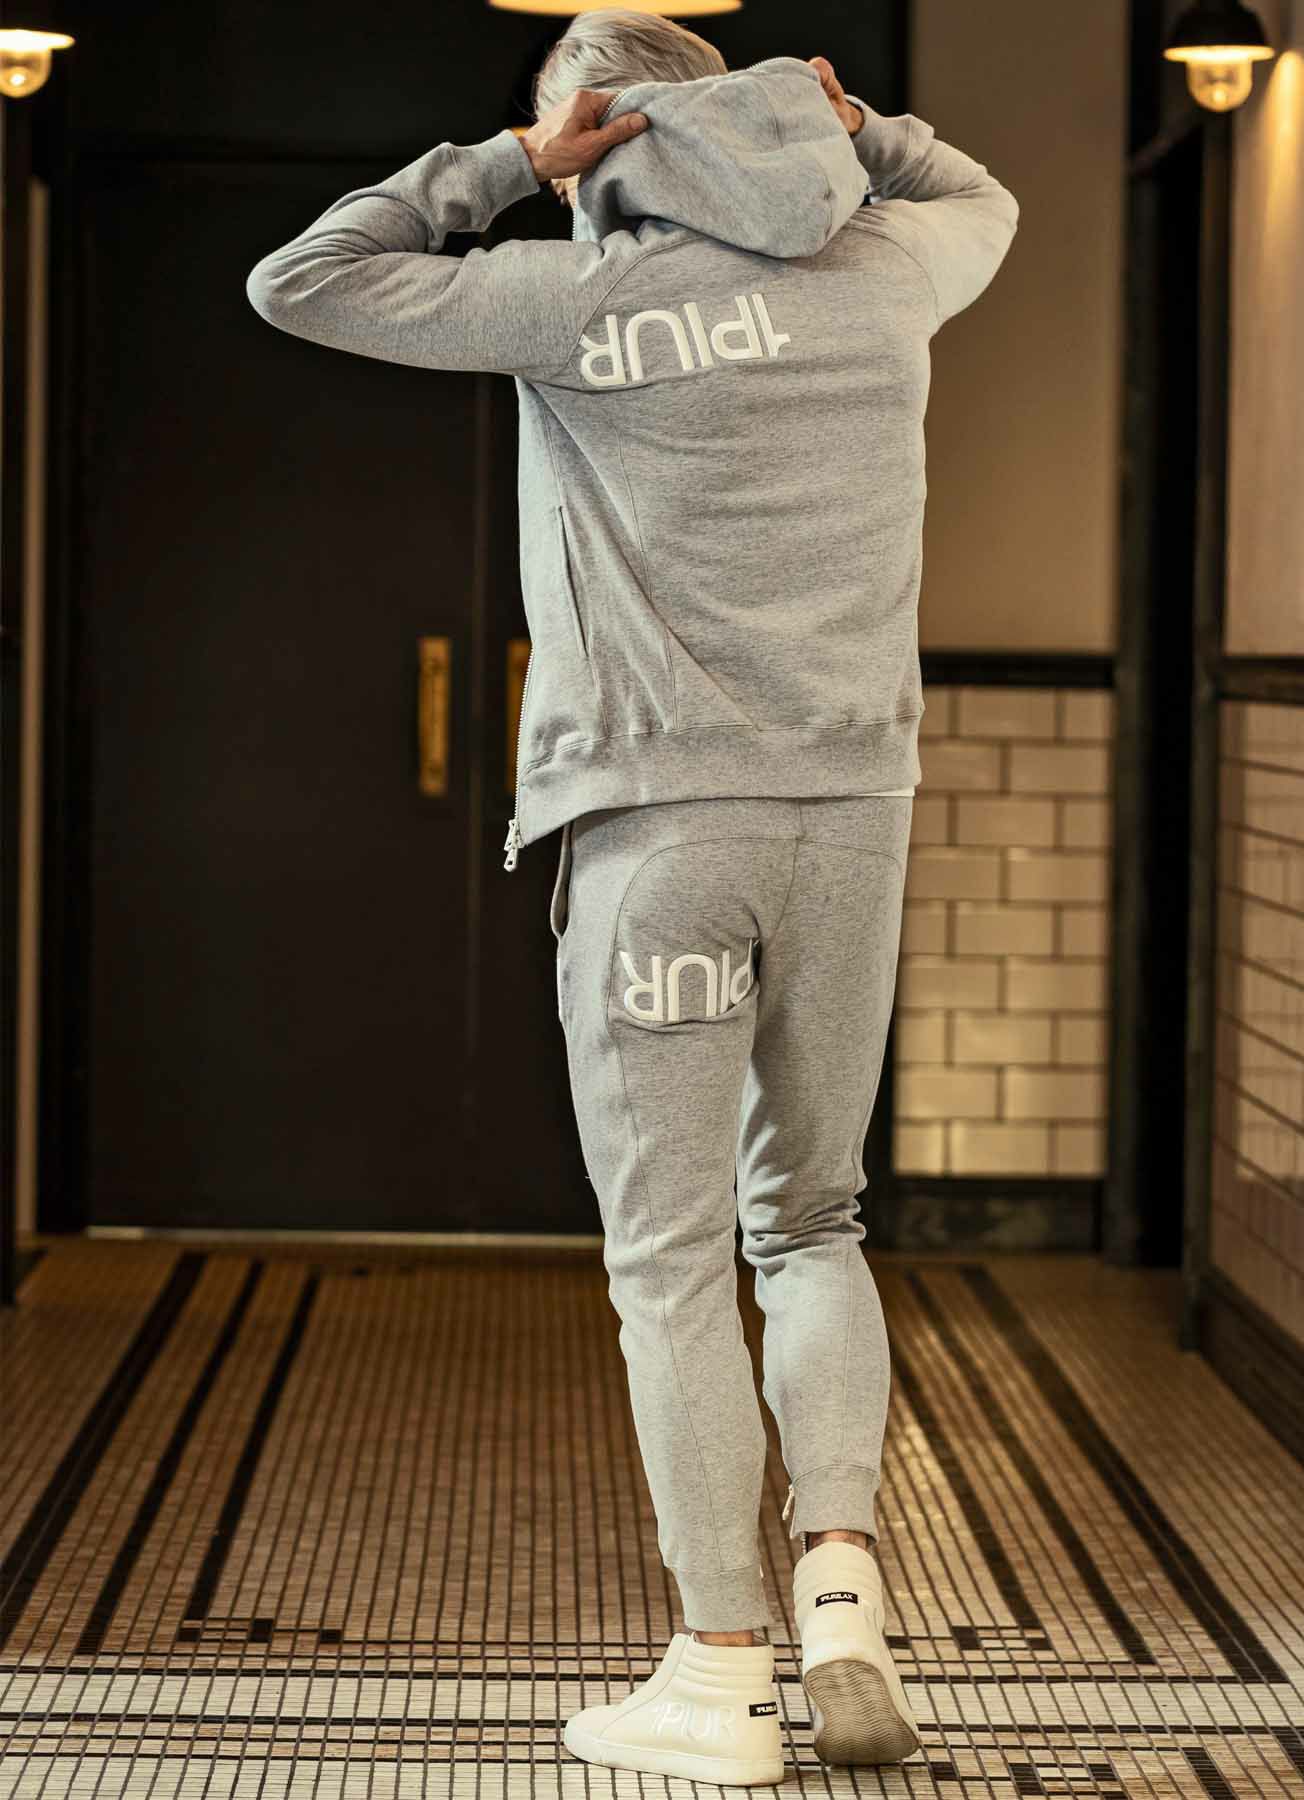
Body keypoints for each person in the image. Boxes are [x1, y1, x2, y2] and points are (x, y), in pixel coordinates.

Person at [246, 9, 1017, 1784]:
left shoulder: (578, 300)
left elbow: (302, 280)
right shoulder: (883, 277)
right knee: (813, 1219)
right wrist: (847, 127)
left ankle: (722, 1671)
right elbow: (980, 195)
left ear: (604, 136)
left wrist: (517, 164)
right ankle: (842, 1586)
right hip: (854, 817)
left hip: (661, 829)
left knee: (669, 1258)